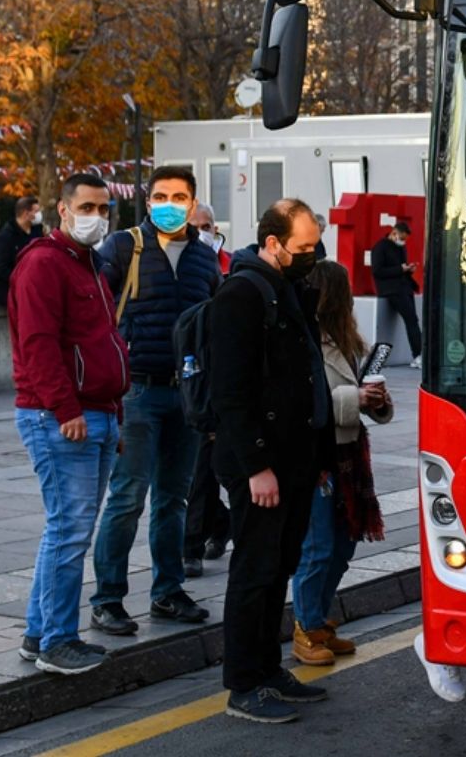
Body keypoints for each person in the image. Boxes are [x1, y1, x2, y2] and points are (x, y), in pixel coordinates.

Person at [206, 199, 334, 723]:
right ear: (273, 242)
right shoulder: (240, 294)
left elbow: (307, 376)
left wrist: (319, 456)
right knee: (255, 570)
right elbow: (231, 393)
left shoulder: (289, 288)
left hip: (296, 459)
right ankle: (243, 683)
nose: (312, 256)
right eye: (303, 247)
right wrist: (257, 465)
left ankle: (268, 668)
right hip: (260, 465)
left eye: (314, 246)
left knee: (280, 565)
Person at [88, 167, 222, 636]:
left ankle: (168, 591)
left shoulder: (207, 259)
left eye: (179, 196)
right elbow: (92, 308)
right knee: (127, 498)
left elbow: (215, 328)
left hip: (185, 394)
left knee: (174, 499)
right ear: (147, 202)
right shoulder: (123, 247)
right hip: (138, 393)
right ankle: (107, 599)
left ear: (192, 202)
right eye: (161, 196)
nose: (169, 203)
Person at [9, 173, 128, 675]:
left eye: (103, 209)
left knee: (68, 529)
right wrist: (67, 411)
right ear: (62, 209)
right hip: (61, 416)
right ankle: (57, 640)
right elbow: (37, 346)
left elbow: (103, 341)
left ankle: (40, 635)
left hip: (97, 414)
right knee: (69, 530)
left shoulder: (89, 266)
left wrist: (111, 414)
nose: (95, 217)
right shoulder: (43, 264)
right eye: (86, 207)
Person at [291, 260, 393, 666]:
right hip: (317, 454)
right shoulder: (303, 339)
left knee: (345, 543)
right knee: (317, 546)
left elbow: (369, 400)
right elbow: (300, 402)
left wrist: (379, 403)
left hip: (349, 452)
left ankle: (318, 619)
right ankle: (305, 627)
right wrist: (356, 400)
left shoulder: (349, 339)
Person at [184, 207, 232, 579]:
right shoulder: (179, 266)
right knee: (190, 474)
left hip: (213, 381)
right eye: (195, 228)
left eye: (207, 227)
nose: (202, 233)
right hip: (182, 374)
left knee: (205, 471)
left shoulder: (229, 266)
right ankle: (220, 524)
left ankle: (191, 546)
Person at [370, 221, 423, 369]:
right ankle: (417, 354)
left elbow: (400, 267)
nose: (403, 241)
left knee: (413, 319)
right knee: (411, 319)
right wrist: (400, 269)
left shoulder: (401, 248)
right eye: (402, 237)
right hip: (391, 289)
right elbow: (377, 271)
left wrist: (408, 270)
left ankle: (419, 353)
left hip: (404, 288)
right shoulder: (380, 247)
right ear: (394, 233)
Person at [0, 195, 44, 308]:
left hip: (33, 293)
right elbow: (0, 267)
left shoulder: (37, 232)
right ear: (25, 213)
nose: (39, 215)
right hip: (10, 295)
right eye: (36, 211)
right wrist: (22, 280)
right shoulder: (6, 237)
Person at [192, 203, 232, 274]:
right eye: (193, 229)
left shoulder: (233, 265)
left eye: (206, 227)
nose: (200, 234)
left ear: (215, 230)